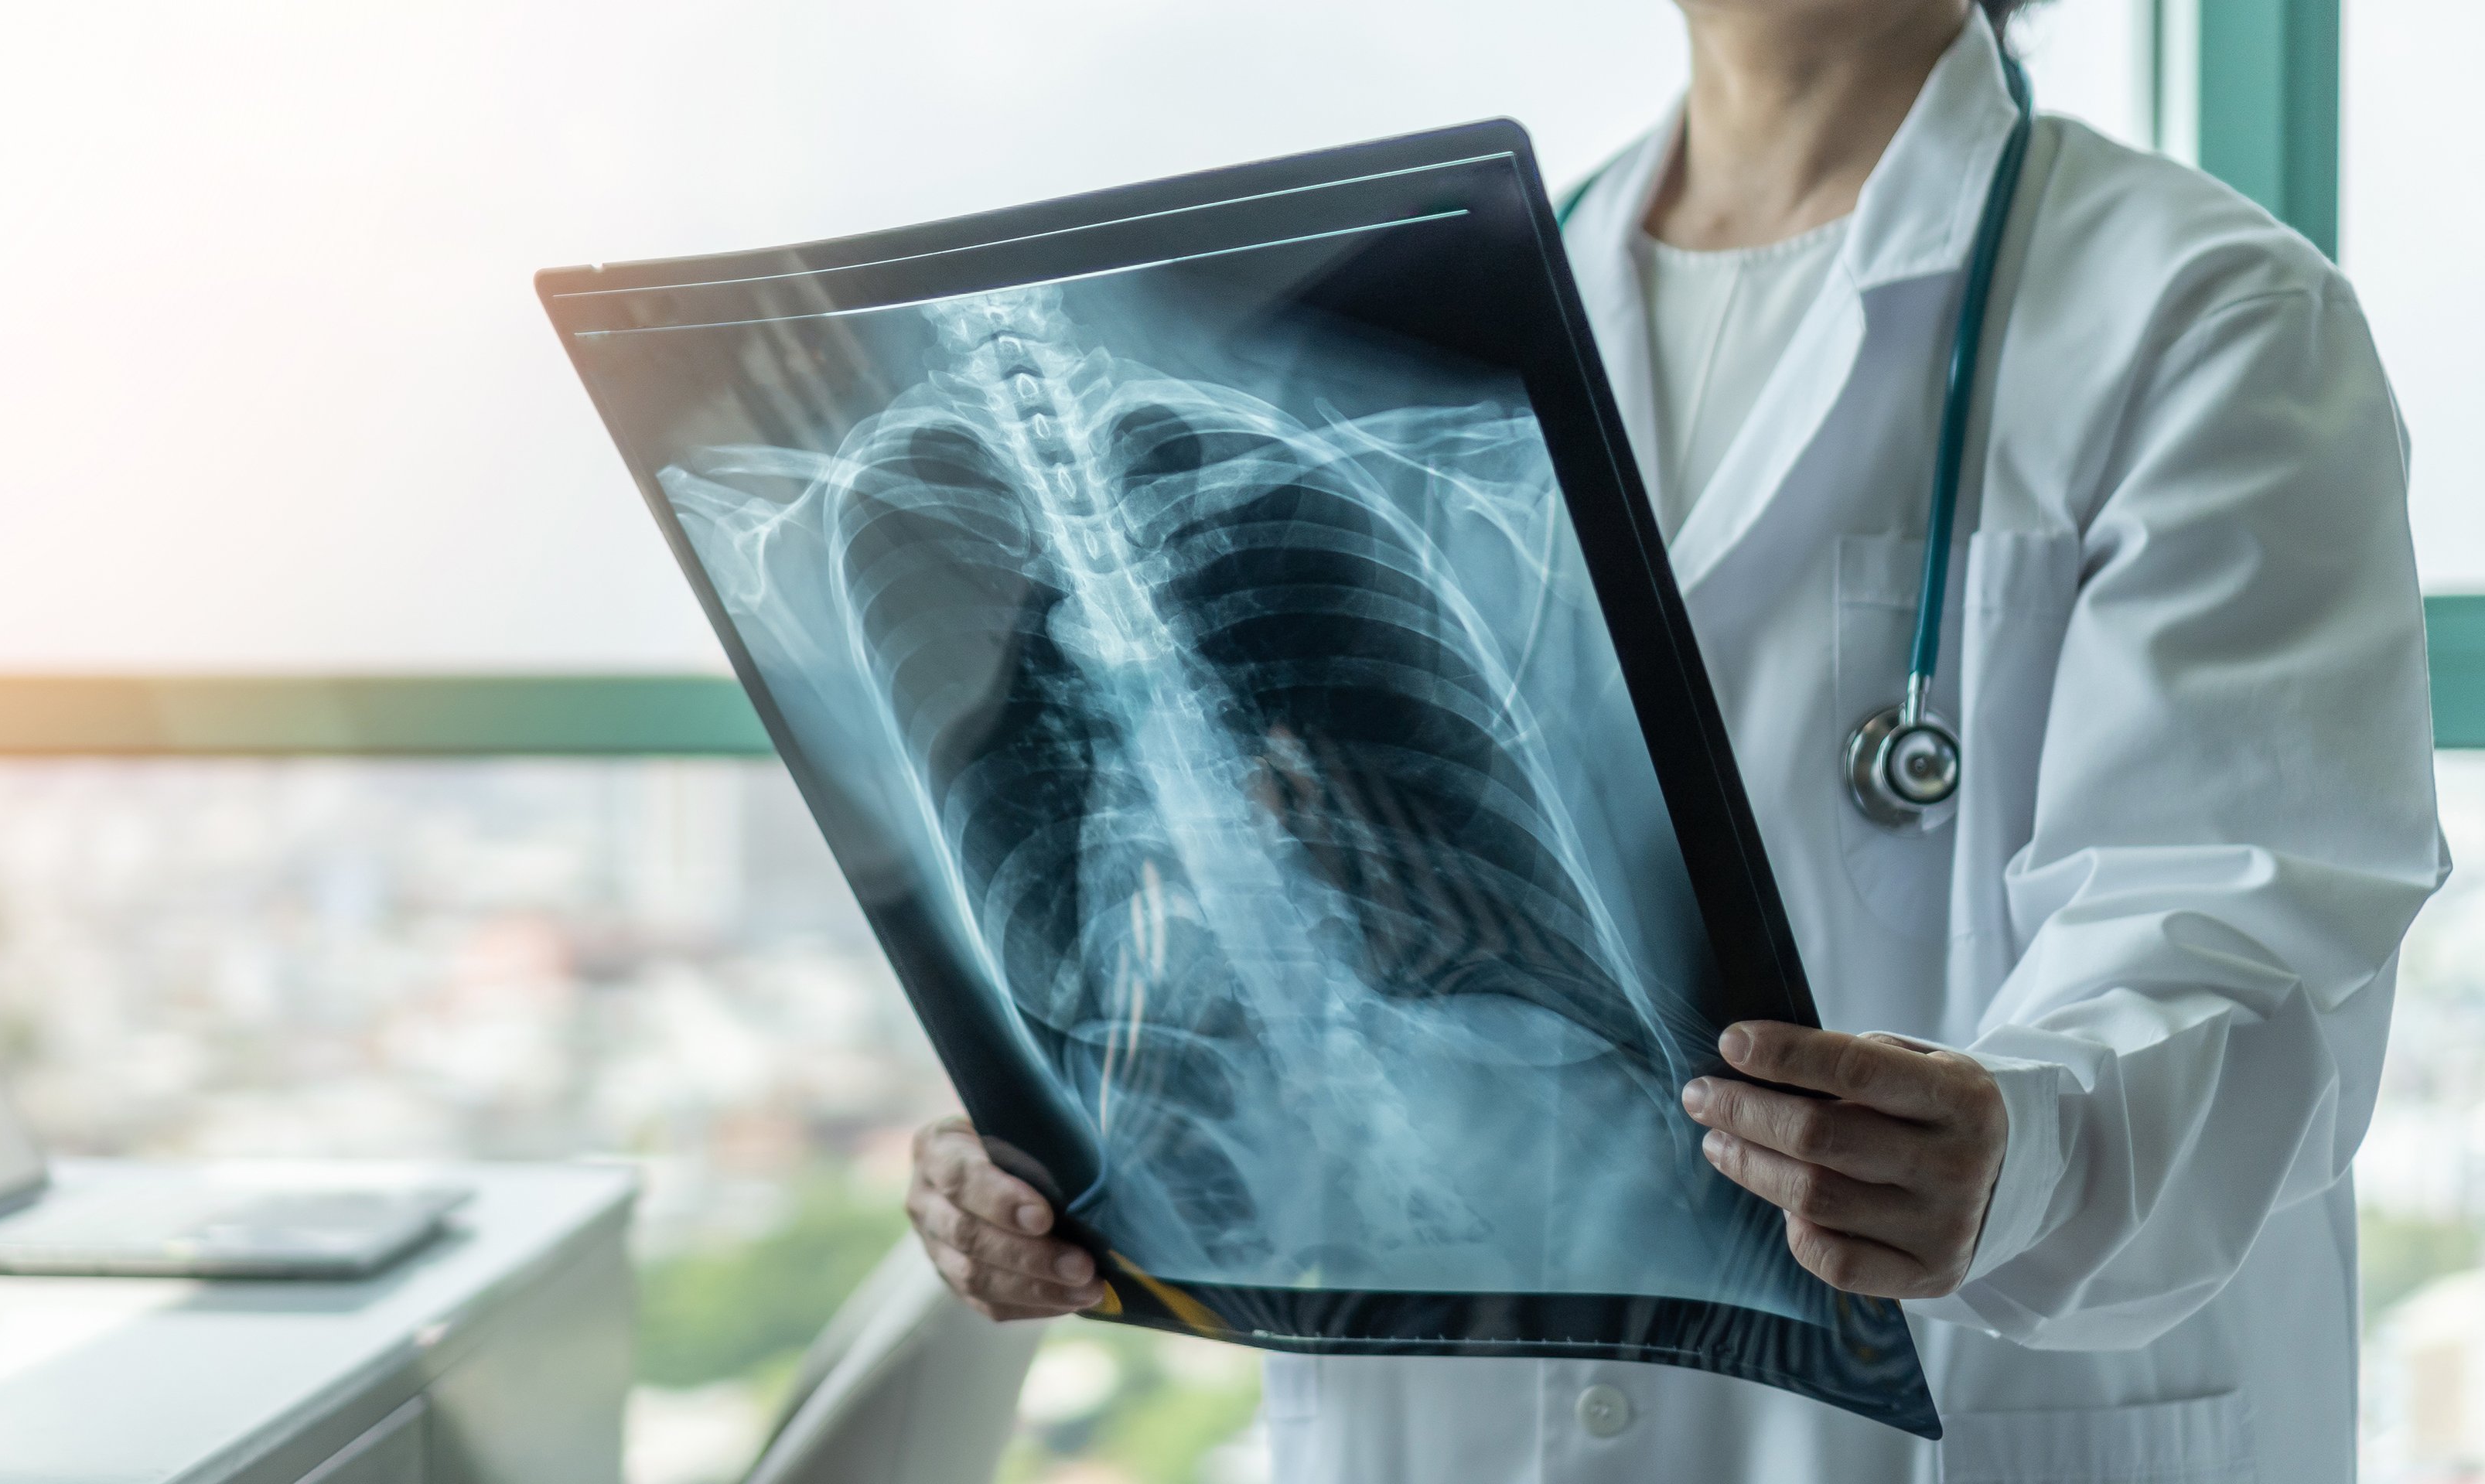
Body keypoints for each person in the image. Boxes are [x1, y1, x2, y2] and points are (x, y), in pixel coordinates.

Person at [901, 0, 2450, 1478]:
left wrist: (2026, 1151)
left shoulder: (2203, 318)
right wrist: (1076, 1138)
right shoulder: (1430, 337)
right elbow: (1316, 939)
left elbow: (2250, 939)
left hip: (1978, 1423)